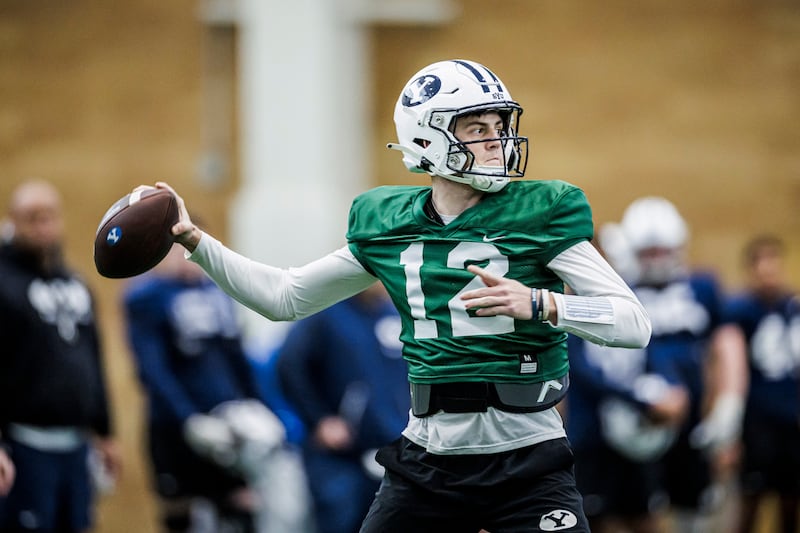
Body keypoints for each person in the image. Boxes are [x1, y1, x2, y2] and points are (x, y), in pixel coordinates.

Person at [146, 58, 652, 532]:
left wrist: (543, 304)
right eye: (478, 129)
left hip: (530, 456)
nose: (497, 142)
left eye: (500, 128)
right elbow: (285, 297)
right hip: (428, 460)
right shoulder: (389, 223)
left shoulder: (541, 212)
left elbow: (633, 323)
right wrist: (197, 242)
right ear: (428, 136)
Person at [617, 196, 748, 533]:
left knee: (698, 505)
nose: (657, 260)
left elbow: (728, 346)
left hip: (693, 420)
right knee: (641, 509)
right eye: (649, 252)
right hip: (641, 418)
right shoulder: (619, 292)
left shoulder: (701, 287)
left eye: (662, 250)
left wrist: (728, 410)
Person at [0, 179, 121, 533]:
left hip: (76, 447)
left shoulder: (76, 284)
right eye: (32, 218)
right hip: (24, 446)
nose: (43, 226)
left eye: (49, 216)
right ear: (12, 222)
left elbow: (93, 359)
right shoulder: (4, 284)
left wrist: (106, 431)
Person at [123, 242, 270, 533]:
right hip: (174, 428)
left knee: (240, 509)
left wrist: (259, 405)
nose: (187, 259)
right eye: (178, 250)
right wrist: (188, 418)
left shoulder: (218, 292)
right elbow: (153, 369)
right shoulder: (147, 297)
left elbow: (238, 357)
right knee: (182, 512)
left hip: (230, 425)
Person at [566, 229, 690, 533]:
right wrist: (644, 402)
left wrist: (673, 389)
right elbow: (587, 375)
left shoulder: (627, 306)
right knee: (596, 520)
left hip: (634, 438)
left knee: (645, 515)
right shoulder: (565, 309)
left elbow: (653, 350)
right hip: (592, 437)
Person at [275, 282, 408, 533]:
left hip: (390, 451)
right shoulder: (324, 313)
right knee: (341, 522)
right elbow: (289, 366)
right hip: (339, 457)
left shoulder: (392, 314)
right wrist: (320, 420)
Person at [723, 235, 800, 533]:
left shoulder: (792, 307)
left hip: (790, 419)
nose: (768, 270)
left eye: (773, 261)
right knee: (751, 497)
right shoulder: (740, 311)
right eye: (761, 263)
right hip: (756, 420)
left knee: (790, 499)